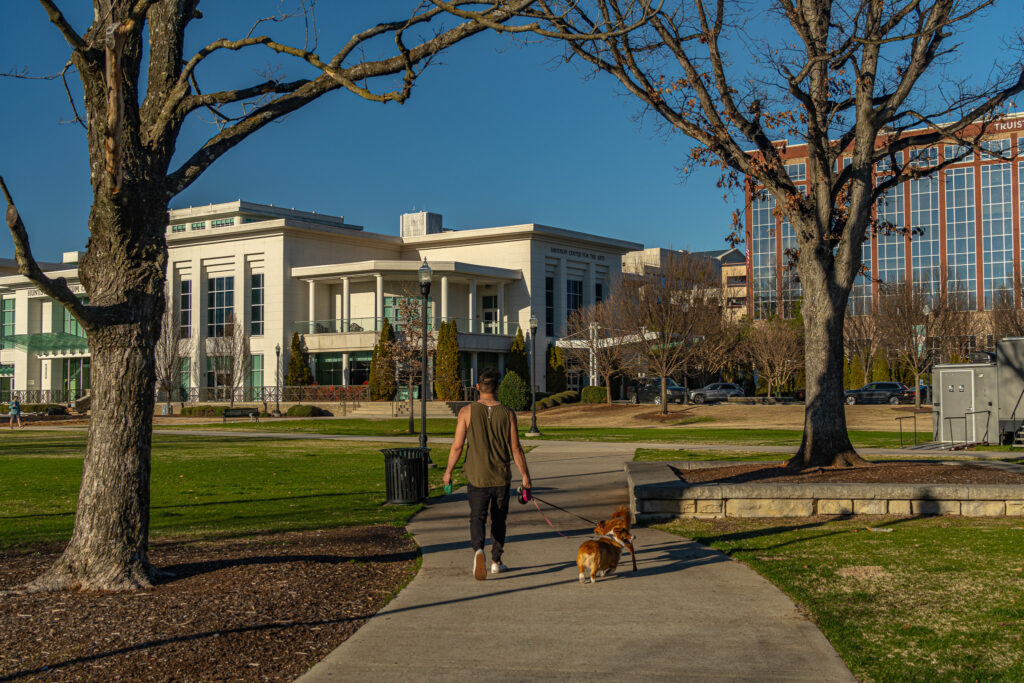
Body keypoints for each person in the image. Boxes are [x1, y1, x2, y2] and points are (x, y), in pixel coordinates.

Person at [443, 367, 532, 580]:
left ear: (477, 388)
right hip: (500, 476)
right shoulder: (508, 413)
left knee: (477, 516)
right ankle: (496, 561)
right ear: (497, 387)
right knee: (499, 519)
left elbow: (457, 446)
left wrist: (448, 471)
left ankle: (478, 550)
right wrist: (526, 476)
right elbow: (516, 448)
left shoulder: (466, 412)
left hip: (477, 475)